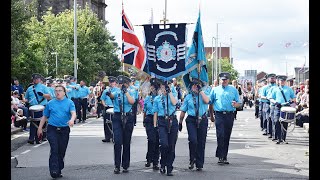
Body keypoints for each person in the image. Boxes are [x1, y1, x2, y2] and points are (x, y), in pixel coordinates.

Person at [37, 84, 76, 178]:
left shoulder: (69, 102)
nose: (57, 92)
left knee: (61, 151)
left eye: (60, 91)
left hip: (64, 130)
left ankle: (59, 168)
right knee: (54, 149)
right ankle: (54, 170)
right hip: (52, 129)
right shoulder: (51, 103)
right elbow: (45, 116)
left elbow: (73, 113)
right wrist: (40, 128)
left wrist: (71, 120)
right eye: (56, 91)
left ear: (64, 93)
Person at [208, 72, 241, 164]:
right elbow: (210, 103)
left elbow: (239, 103)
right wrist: (211, 116)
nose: (224, 81)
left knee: (226, 136)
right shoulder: (215, 90)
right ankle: (220, 156)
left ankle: (224, 156)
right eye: (222, 79)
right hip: (219, 114)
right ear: (219, 80)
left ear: (228, 80)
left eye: (226, 80)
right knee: (220, 135)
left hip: (230, 115)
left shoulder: (233, 90)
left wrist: (236, 104)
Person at [179, 77, 210, 171]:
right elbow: (183, 110)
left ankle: (199, 163)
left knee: (201, 142)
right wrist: (180, 122)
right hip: (191, 120)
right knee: (193, 140)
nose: (195, 87)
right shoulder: (188, 97)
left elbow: (207, 101)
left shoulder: (203, 94)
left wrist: (200, 91)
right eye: (194, 85)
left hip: (202, 120)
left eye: (197, 86)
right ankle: (192, 159)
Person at [107, 75, 136, 174]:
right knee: (118, 141)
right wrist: (109, 93)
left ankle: (125, 165)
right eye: (119, 83)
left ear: (127, 84)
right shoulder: (116, 92)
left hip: (128, 117)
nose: (120, 85)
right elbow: (112, 96)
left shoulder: (131, 91)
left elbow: (132, 101)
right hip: (118, 117)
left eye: (122, 83)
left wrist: (126, 92)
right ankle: (117, 165)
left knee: (127, 142)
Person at [153, 80, 178, 176]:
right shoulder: (157, 99)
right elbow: (155, 112)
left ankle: (169, 167)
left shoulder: (172, 95)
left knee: (171, 146)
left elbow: (174, 102)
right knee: (164, 144)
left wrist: (170, 92)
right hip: (162, 121)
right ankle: (162, 163)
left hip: (172, 121)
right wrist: (155, 125)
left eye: (166, 87)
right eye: (163, 87)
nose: (164, 89)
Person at [268, 75, 296, 144]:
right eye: (281, 80)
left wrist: (291, 101)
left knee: (285, 122)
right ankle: (278, 138)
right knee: (277, 121)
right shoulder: (275, 89)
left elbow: (294, 97)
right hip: (277, 106)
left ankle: (283, 138)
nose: (282, 82)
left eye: (283, 81)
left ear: (285, 81)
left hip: (286, 106)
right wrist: (275, 102)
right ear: (278, 81)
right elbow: (271, 98)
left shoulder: (289, 89)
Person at [25, 73, 51, 144]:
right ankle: (31, 138)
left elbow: (49, 96)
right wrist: (26, 101)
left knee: (41, 122)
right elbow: (26, 98)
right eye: (34, 79)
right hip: (32, 107)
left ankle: (40, 137)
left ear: (39, 79)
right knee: (33, 122)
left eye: (37, 78)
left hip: (42, 107)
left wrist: (42, 95)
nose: (35, 80)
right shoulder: (30, 88)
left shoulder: (44, 87)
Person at [143, 78, 161, 170]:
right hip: (149, 120)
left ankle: (155, 161)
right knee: (151, 139)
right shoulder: (147, 98)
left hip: (159, 119)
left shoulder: (160, 99)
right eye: (152, 86)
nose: (152, 88)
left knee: (157, 140)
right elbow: (145, 111)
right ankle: (149, 158)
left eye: (154, 87)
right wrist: (144, 121)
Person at [101, 76, 117, 143]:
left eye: (112, 82)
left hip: (115, 108)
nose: (111, 83)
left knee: (115, 123)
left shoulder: (117, 90)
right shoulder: (106, 90)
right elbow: (102, 99)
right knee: (106, 122)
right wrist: (104, 104)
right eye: (110, 82)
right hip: (108, 107)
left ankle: (115, 136)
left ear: (115, 83)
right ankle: (107, 137)